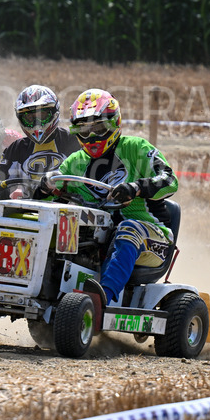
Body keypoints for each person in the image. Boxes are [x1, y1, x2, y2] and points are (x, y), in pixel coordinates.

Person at [41, 88, 178, 307]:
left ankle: (101, 299)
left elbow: (170, 180)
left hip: (152, 237)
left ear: (114, 123)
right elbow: (46, 202)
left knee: (128, 229)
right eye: (84, 130)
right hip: (99, 237)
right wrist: (44, 187)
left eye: (98, 127)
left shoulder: (136, 148)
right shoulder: (75, 162)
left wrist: (136, 188)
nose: (92, 136)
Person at [0, 84, 79, 202]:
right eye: (30, 118)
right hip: (24, 212)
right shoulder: (16, 148)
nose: (37, 123)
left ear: (54, 112)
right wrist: (10, 191)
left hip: (66, 212)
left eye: (42, 115)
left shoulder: (73, 142)